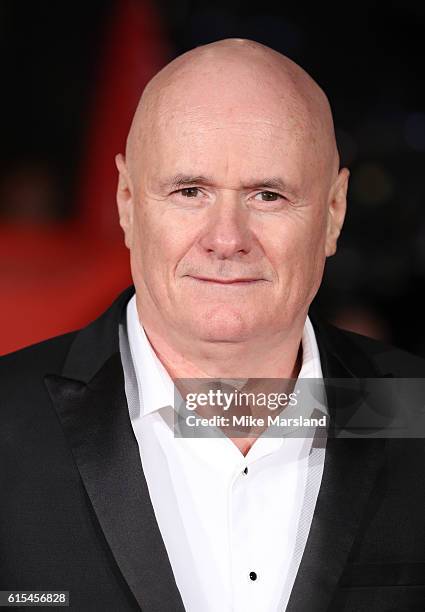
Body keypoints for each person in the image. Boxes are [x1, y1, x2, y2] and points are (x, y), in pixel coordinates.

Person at [1, 38, 425, 612]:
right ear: (127, 201)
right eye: (189, 191)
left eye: (269, 195)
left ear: (333, 211)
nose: (226, 239)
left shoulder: (413, 409)